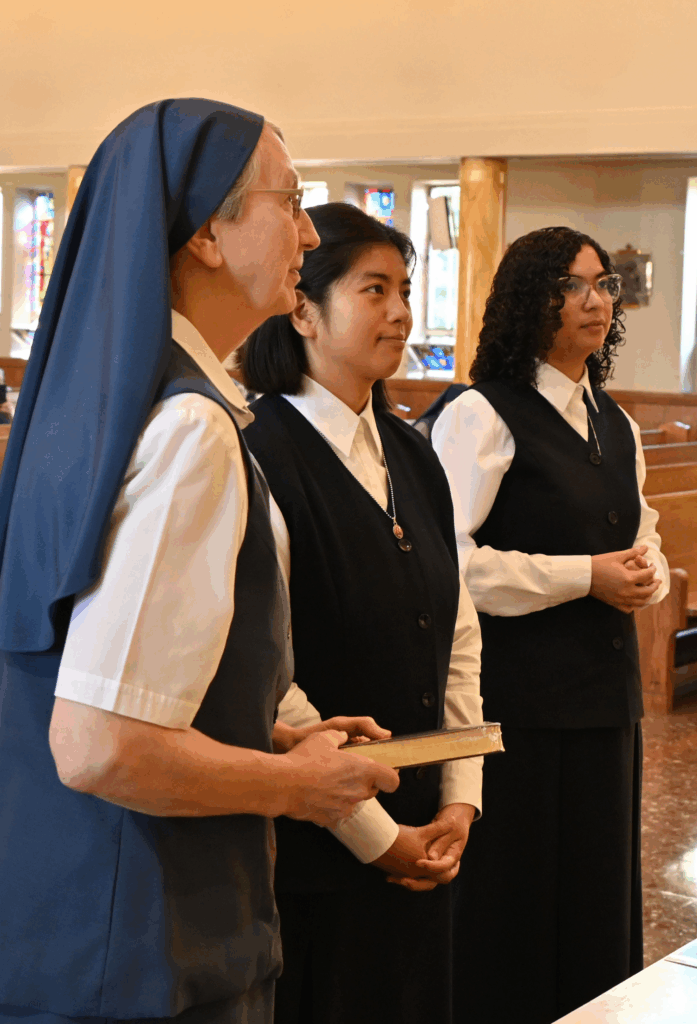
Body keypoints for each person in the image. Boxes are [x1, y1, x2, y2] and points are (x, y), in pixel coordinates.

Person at [0, 100, 398, 1024]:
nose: (309, 232)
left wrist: (256, 727)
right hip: (147, 940)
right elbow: (100, 744)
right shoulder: (190, 426)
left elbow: (95, 665)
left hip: (60, 918)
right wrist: (298, 788)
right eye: (289, 202)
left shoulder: (105, 402)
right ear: (208, 236)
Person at [241, 202, 483, 1024]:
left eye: (405, 290)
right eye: (374, 290)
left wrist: (458, 798)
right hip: (316, 852)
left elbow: (455, 633)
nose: (401, 312)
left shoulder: (412, 450)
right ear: (303, 310)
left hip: (427, 833)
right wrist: (380, 839)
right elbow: (268, 675)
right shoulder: (258, 453)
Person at [431, 226, 670, 1024]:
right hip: (518, 706)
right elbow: (450, 564)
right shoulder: (482, 414)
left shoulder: (616, 422)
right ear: (531, 300)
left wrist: (646, 572)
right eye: (573, 286)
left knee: (597, 894)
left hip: (606, 699)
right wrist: (583, 576)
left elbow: (643, 532)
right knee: (516, 903)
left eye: (603, 285)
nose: (595, 301)